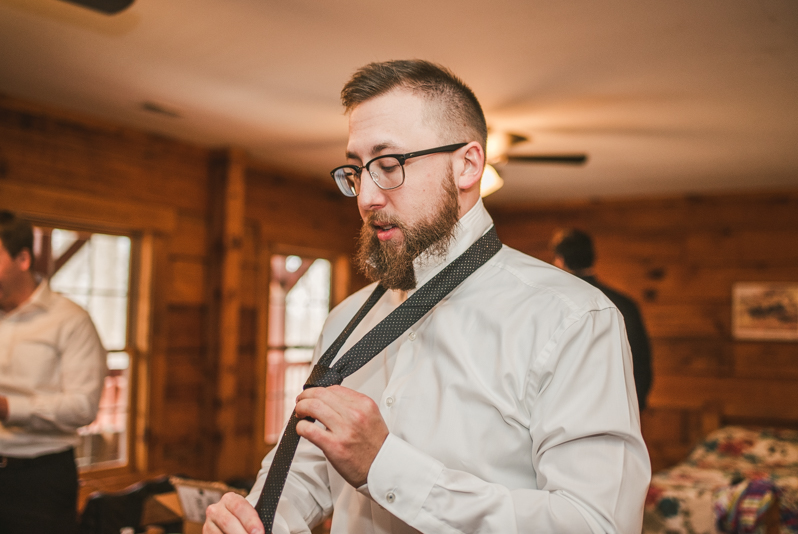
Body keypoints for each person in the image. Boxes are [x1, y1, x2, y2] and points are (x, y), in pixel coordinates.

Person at [205, 60, 650, 534]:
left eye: (389, 165)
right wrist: (260, 517)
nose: (366, 198)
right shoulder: (346, 319)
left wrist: (388, 468)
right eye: (356, 171)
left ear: (468, 165)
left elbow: (598, 523)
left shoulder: (573, 318)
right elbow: (311, 462)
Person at [0, 211, 107, 534]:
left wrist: (8, 408)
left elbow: (82, 406)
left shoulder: (70, 321)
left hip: (39, 480)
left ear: (22, 258)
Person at [551, 228, 653, 411]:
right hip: (621, 408)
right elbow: (641, 362)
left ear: (560, 260)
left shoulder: (557, 306)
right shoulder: (625, 304)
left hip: (572, 411)